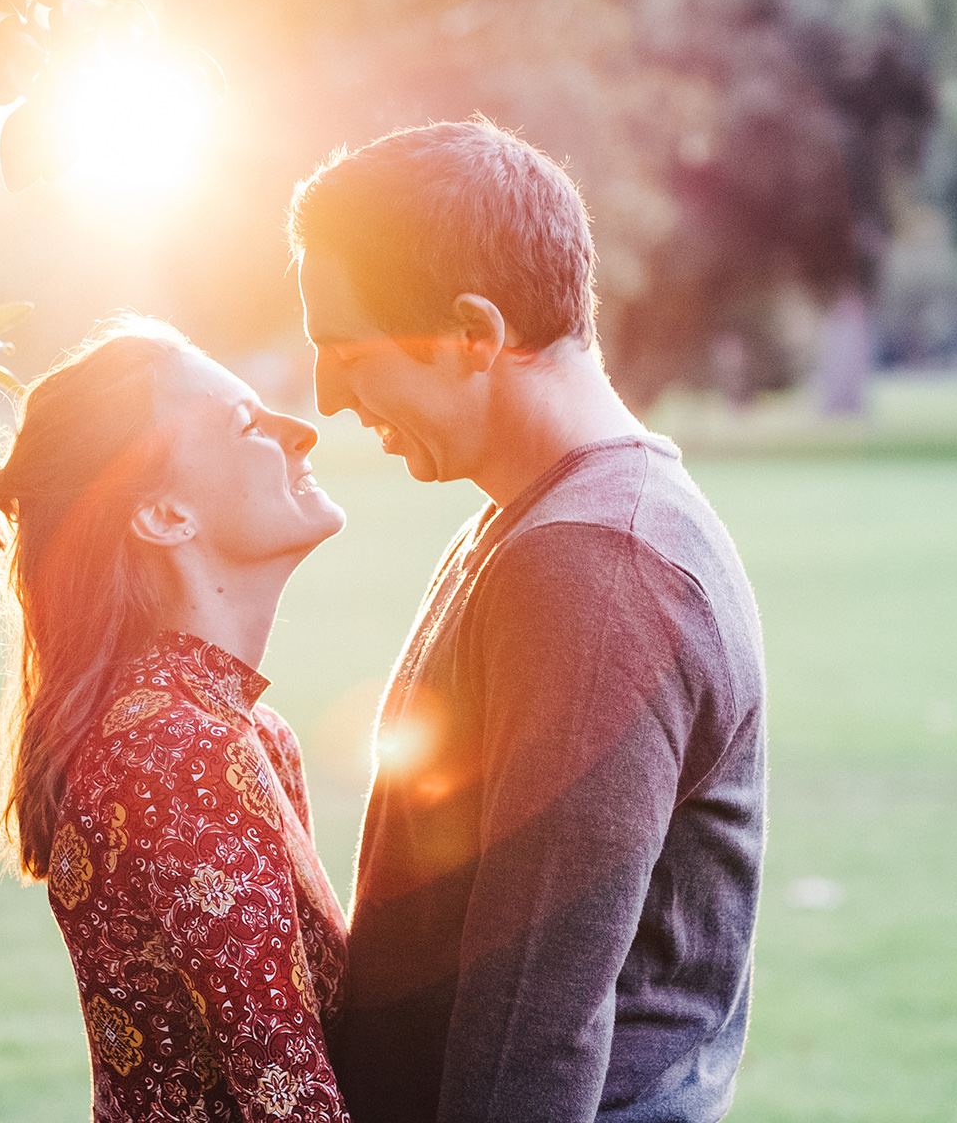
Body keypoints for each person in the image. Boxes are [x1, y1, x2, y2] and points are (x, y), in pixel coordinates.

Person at [289, 120, 767, 1122]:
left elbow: (531, 1030)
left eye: (345, 345)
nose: (328, 394)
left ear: (473, 329)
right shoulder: (542, 524)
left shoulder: (598, 565)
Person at [0, 317, 354, 1122]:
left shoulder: (245, 733)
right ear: (163, 515)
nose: (300, 429)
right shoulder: (177, 752)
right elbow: (289, 1099)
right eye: (246, 424)